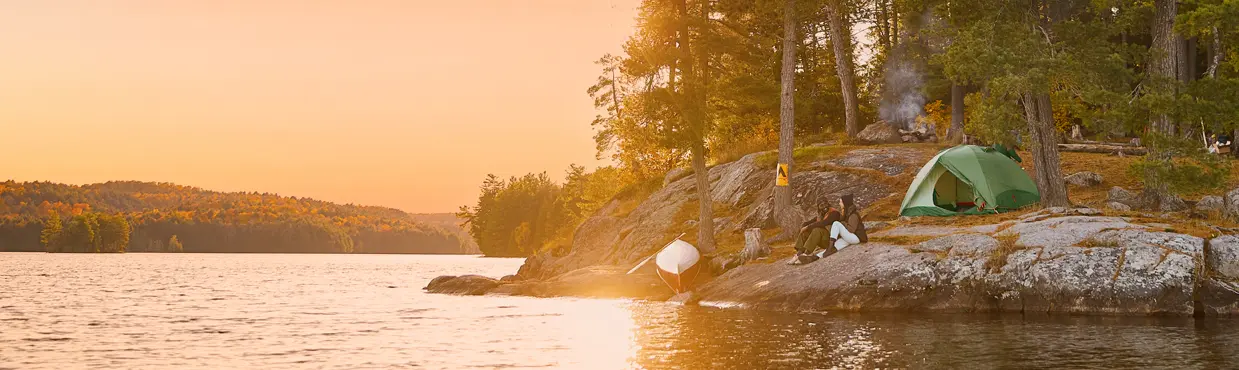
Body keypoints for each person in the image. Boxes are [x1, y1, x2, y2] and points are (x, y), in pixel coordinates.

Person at [790, 194, 868, 264]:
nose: (824, 207)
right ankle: (804, 255)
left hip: (850, 237)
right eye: (821, 205)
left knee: (818, 230)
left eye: (840, 202)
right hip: (844, 238)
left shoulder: (836, 213)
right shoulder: (823, 215)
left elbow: (825, 223)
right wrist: (805, 225)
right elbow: (813, 221)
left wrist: (808, 227)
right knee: (832, 249)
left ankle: (806, 253)